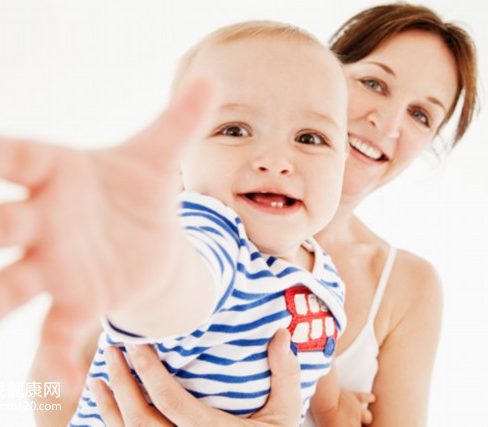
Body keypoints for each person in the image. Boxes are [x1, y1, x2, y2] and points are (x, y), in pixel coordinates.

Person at [0, 20, 352, 426]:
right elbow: (179, 290)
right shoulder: (208, 231)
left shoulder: (322, 272)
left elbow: (310, 357)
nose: (276, 161)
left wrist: (335, 407)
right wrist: (145, 267)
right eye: (235, 130)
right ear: (179, 164)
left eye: (310, 138)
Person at [73, 3, 479, 426]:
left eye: (420, 115)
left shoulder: (332, 278)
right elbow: (45, 387)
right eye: (374, 83)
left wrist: (334, 410)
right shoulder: (197, 225)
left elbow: (311, 352)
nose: (389, 123)